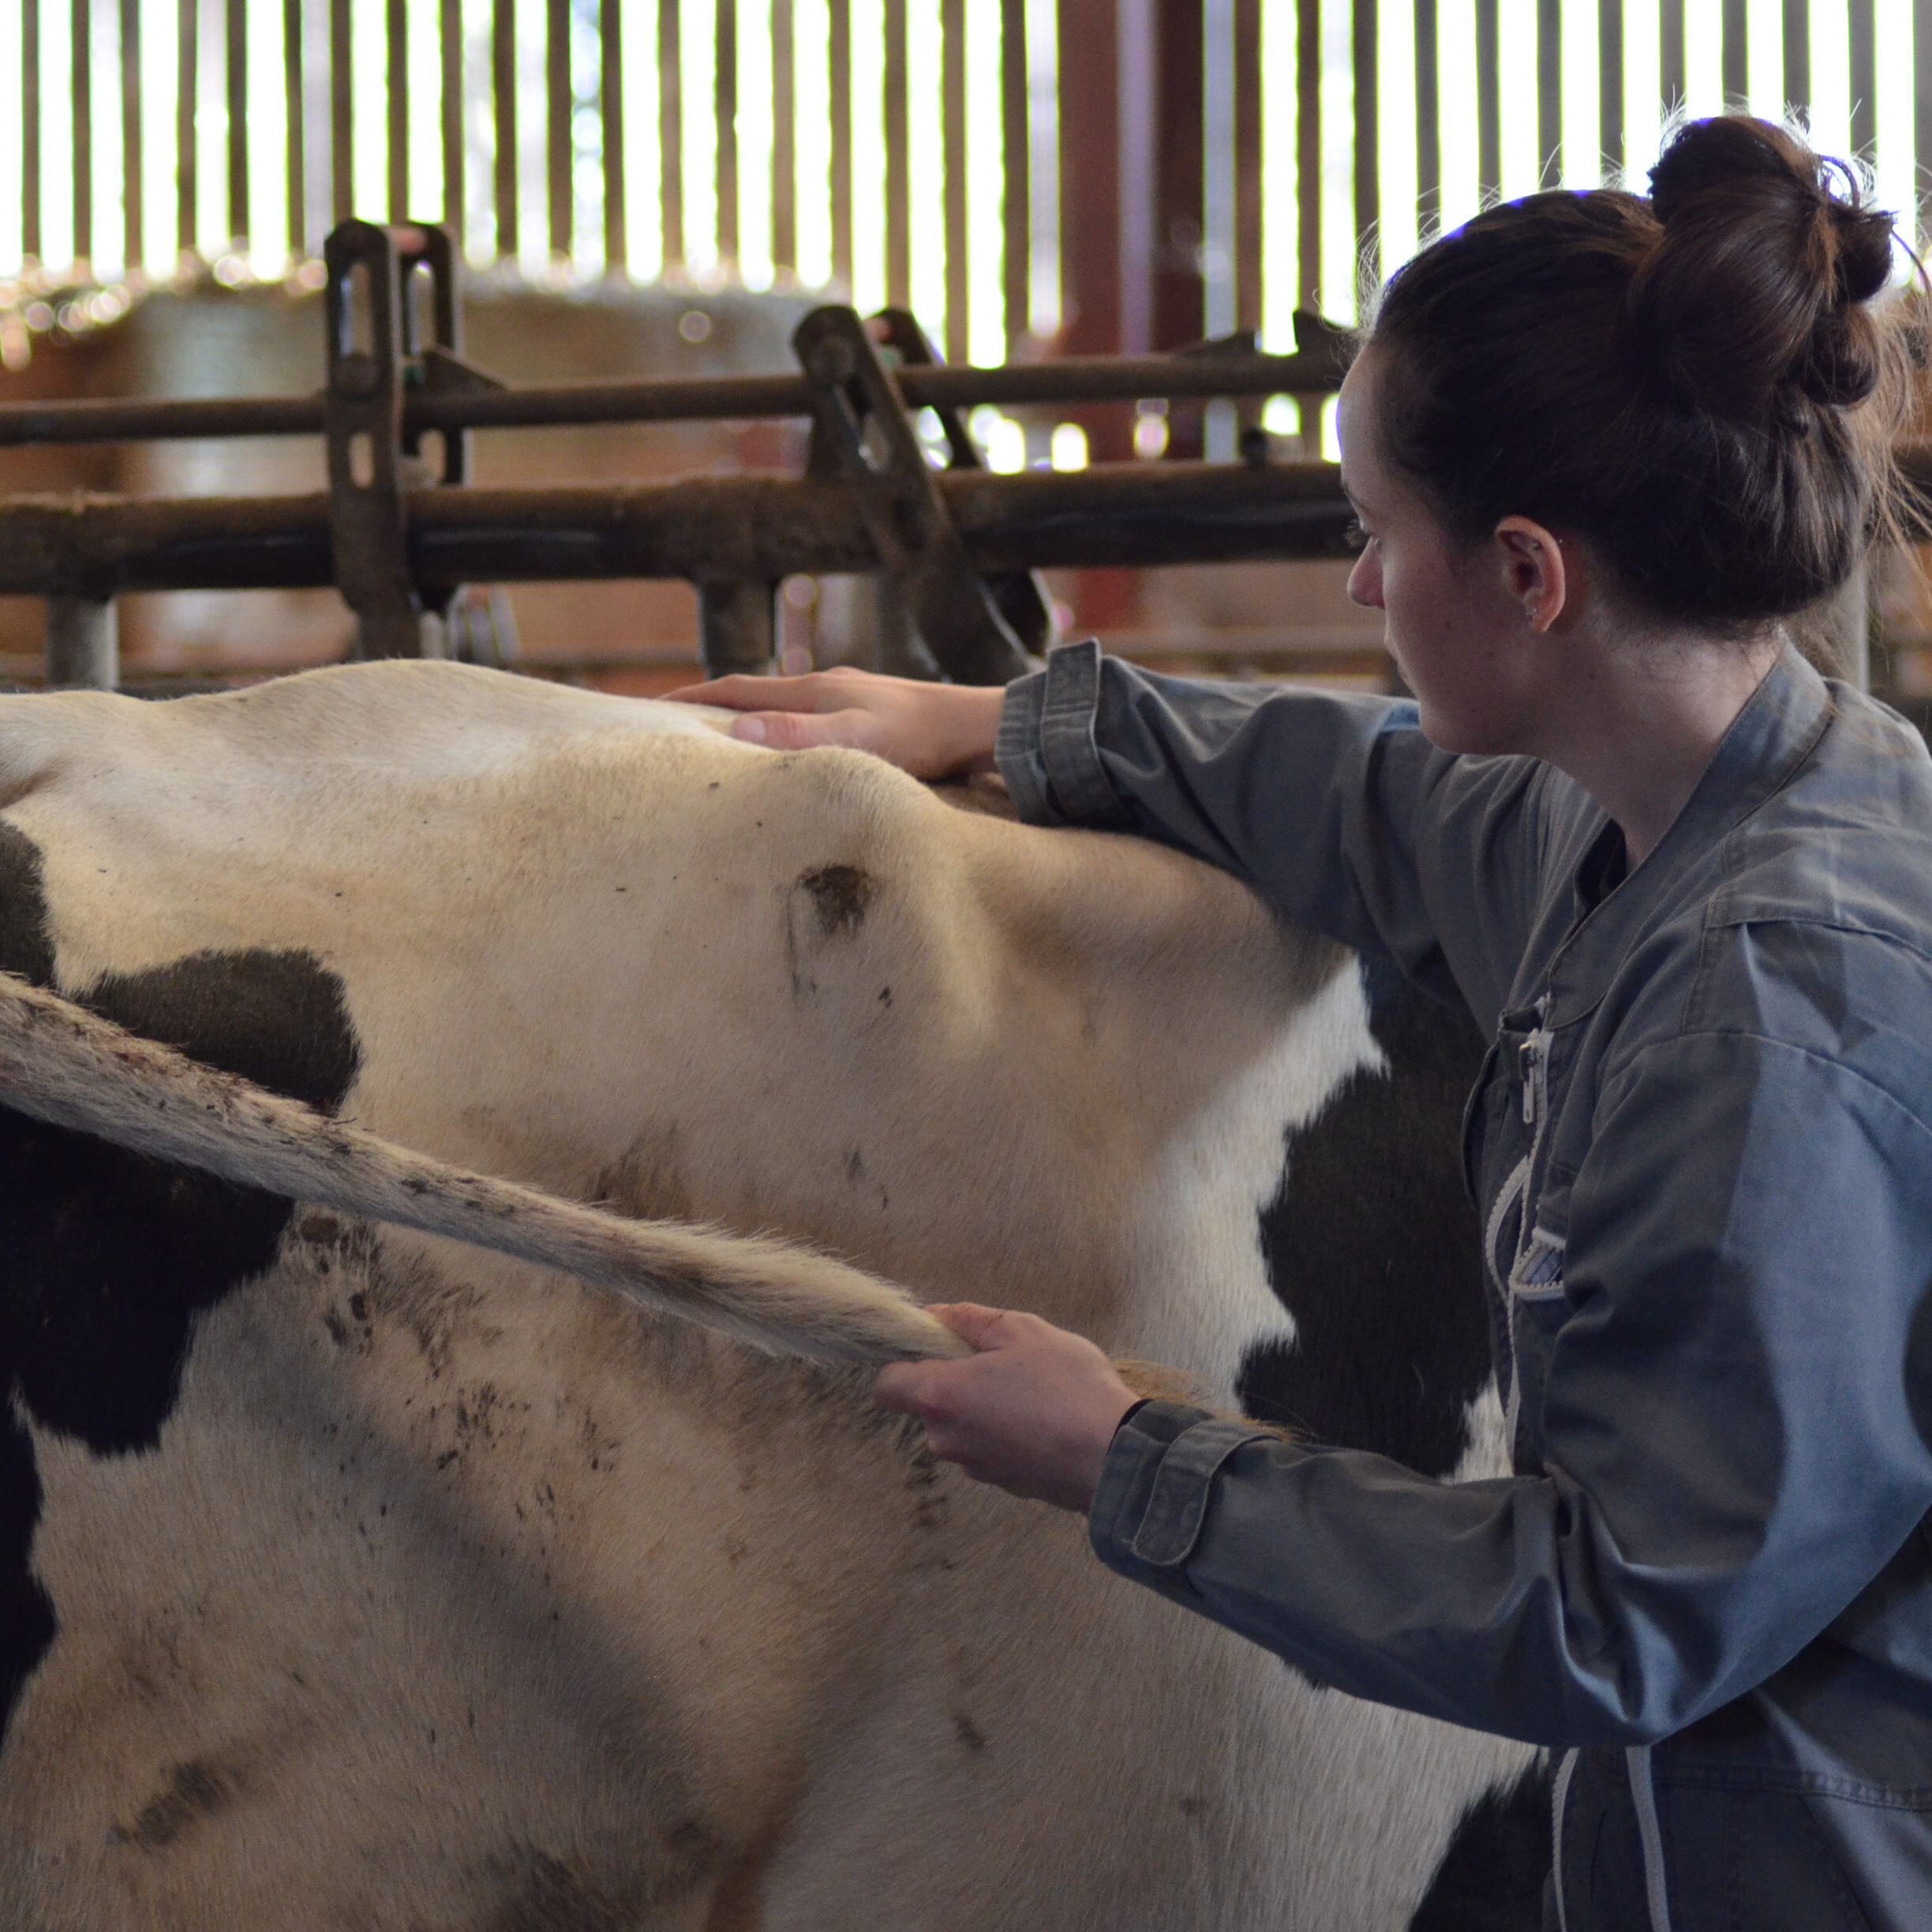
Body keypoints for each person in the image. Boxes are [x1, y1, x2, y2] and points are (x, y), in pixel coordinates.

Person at [669, 116, 1932, 1930]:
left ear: (1528, 575)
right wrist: (1009, 729)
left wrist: (1125, 1460)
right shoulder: (1725, 796)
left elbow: (1616, 1618)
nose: (1356, 590)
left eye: (1371, 533)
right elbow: (1388, 799)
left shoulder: (1765, 1021)